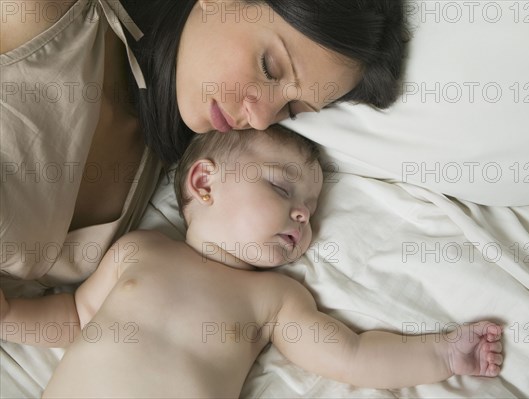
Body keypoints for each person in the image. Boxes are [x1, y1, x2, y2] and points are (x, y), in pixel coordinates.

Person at [0, 126, 504, 398]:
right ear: (204, 184)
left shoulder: (275, 298)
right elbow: (74, 318)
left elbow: (351, 357)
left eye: (310, 208)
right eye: (281, 188)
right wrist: (10, 319)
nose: (303, 213)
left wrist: (442, 355)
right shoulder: (139, 250)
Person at [0, 0, 409, 293]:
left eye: (292, 107)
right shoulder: (38, 15)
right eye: (269, 68)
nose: (262, 118)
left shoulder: (166, 155)